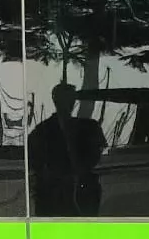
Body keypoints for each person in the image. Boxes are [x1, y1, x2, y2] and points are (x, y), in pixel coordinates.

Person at [27, 83, 107, 216]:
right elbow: (35, 162)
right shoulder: (41, 131)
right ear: (55, 100)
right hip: (53, 194)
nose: (68, 103)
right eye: (64, 98)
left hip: (80, 191)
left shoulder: (89, 128)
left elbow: (95, 155)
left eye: (70, 99)